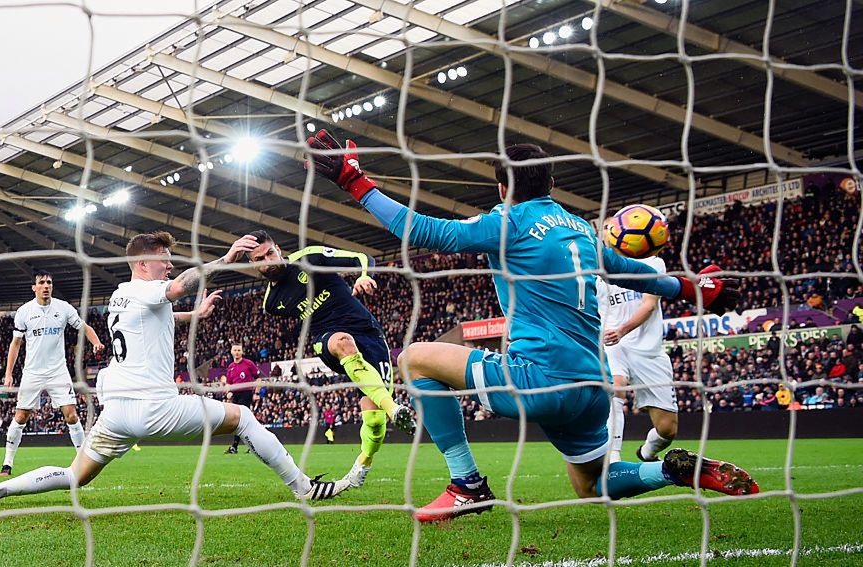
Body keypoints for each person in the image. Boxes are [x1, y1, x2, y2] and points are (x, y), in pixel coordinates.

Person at [305, 130, 759, 521]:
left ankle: (467, 483)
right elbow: (634, 273)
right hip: (593, 386)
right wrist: (696, 289)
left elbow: (423, 230)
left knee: (415, 359)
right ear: (553, 183)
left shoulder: (509, 222)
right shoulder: (580, 227)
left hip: (539, 380)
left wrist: (354, 181)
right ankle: (670, 470)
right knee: (593, 485)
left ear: (501, 186)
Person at [0, 231, 349, 506]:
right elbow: (177, 287)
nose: (170, 265)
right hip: (154, 407)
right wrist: (224, 261)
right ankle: (303, 487)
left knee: (75, 475)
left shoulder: (120, 296)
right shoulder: (145, 288)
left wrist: (193, 315)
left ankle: (0, 490)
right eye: (164, 259)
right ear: (142, 263)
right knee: (244, 417)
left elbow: (157, 313)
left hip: (117, 413)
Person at [230, 229, 415, 489]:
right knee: (342, 342)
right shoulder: (271, 303)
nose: (268, 261)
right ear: (253, 264)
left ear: (279, 249)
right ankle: (394, 408)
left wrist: (364, 277)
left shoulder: (310, 258)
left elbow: (363, 258)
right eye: (260, 258)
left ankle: (362, 463)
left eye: (270, 253)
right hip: (327, 339)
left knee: (374, 424)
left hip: (368, 333)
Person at [0, 270, 105, 476]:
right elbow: (16, 344)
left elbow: (84, 326)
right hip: (33, 372)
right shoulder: (24, 312)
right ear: (34, 287)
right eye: (42, 282)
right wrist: (8, 373)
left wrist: (96, 342)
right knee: (21, 416)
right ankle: (7, 463)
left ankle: (82, 461)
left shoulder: (63, 308)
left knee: (72, 415)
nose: (46, 285)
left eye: (49, 282)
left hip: (58, 371)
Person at [598, 245, 678, 463]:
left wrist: (622, 330)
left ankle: (647, 452)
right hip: (613, 344)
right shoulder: (598, 272)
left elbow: (650, 304)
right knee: (616, 388)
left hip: (648, 351)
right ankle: (612, 459)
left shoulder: (653, 263)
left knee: (667, 429)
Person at [224, 343, 260, 454]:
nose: (237, 352)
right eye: (235, 350)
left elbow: (258, 378)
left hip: (246, 393)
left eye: (239, 350)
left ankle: (236, 446)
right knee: (240, 421)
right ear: (231, 352)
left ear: (242, 352)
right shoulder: (231, 367)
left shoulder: (248, 363)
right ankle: (249, 445)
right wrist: (228, 392)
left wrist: (256, 392)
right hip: (236, 395)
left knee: (241, 420)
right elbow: (228, 383)